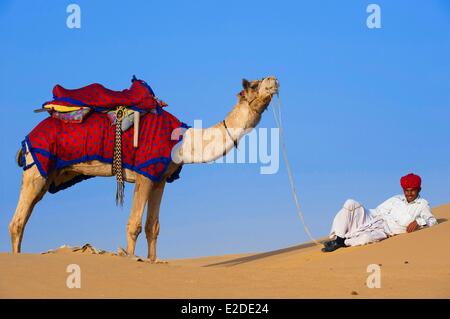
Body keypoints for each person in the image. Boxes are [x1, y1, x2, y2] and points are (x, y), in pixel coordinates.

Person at [322, 173, 438, 253]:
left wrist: (418, 221)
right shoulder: (396, 198)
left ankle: (343, 242)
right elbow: (378, 210)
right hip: (372, 217)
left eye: (412, 190)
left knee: (366, 238)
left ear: (419, 190)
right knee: (350, 203)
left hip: (385, 230)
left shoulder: (422, 204)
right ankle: (338, 239)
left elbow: (432, 221)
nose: (409, 194)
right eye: (406, 190)